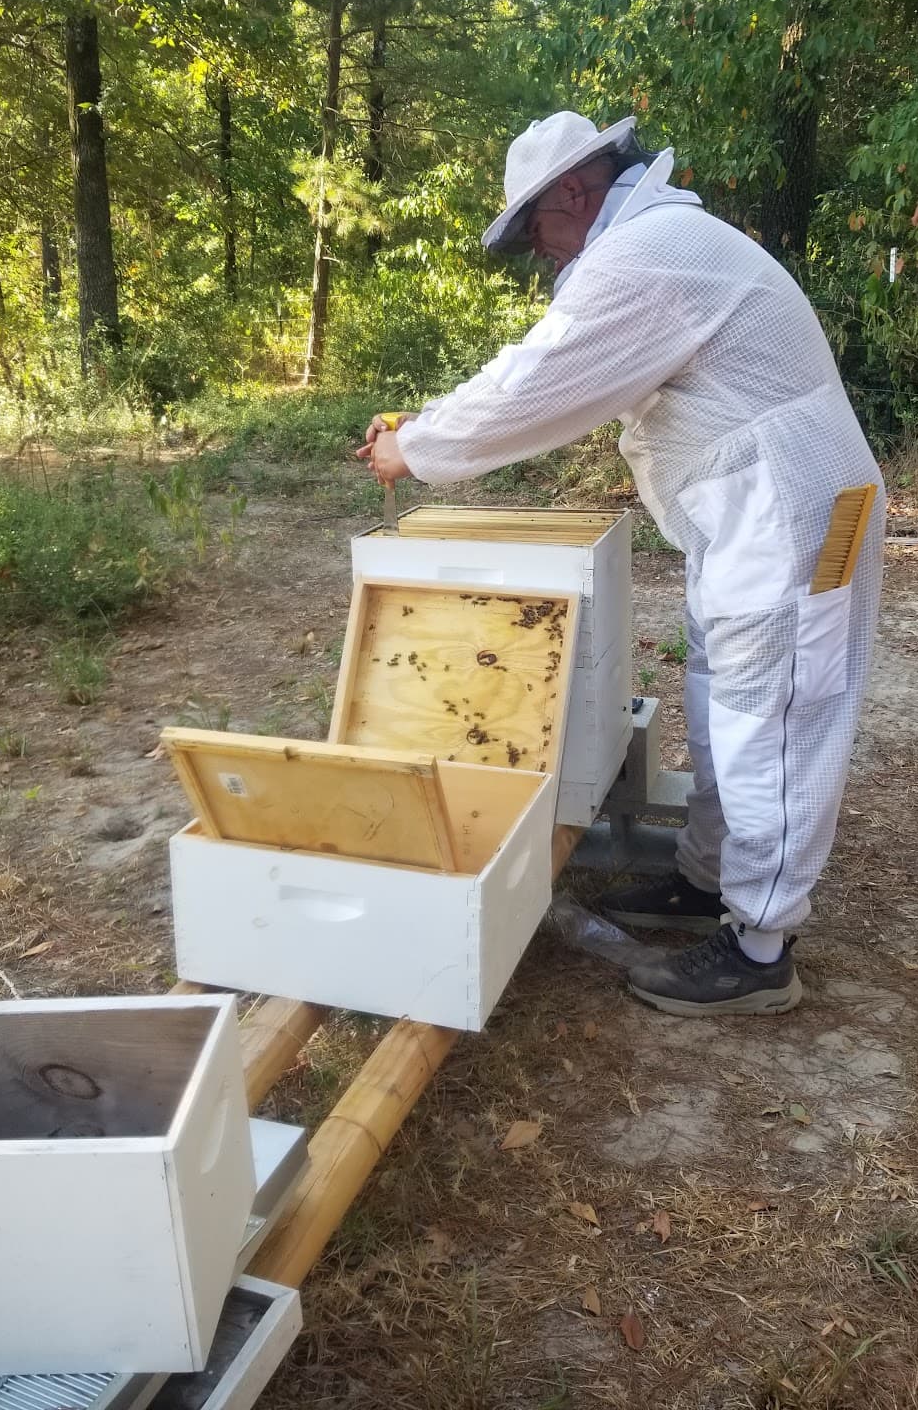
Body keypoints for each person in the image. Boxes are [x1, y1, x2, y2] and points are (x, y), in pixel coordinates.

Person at [359, 110, 884, 1017]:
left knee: (772, 713)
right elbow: (540, 370)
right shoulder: (655, 245)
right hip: (761, 509)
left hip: (794, 513)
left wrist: (420, 447)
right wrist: (429, 423)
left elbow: (536, 384)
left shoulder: (648, 255)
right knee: (725, 696)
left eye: (535, 228)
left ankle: (760, 950)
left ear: (573, 188)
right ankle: (709, 881)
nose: (538, 252)